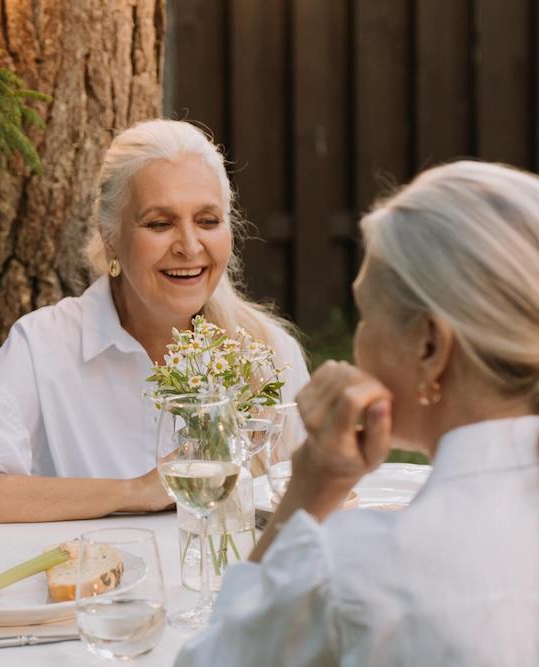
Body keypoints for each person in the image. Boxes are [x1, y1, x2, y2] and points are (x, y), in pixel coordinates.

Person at [177, 160, 539, 666]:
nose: (353, 346)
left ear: (430, 346)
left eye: (366, 316)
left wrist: (308, 489)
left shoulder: (357, 568)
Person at [0, 119, 309, 524]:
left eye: (208, 221)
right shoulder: (46, 345)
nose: (190, 246)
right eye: (159, 223)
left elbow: (312, 513)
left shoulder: (268, 352)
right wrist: (137, 491)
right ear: (110, 235)